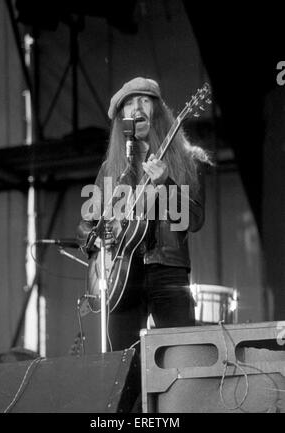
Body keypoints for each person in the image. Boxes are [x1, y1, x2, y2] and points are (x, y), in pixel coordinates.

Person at [77, 77, 211, 351]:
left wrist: (166, 184)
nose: (136, 108)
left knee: (181, 358)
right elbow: (85, 226)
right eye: (128, 104)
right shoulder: (111, 168)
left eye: (144, 100)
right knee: (122, 366)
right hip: (120, 275)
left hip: (169, 272)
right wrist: (100, 239)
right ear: (121, 118)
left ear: (158, 111)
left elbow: (194, 220)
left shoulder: (188, 160)